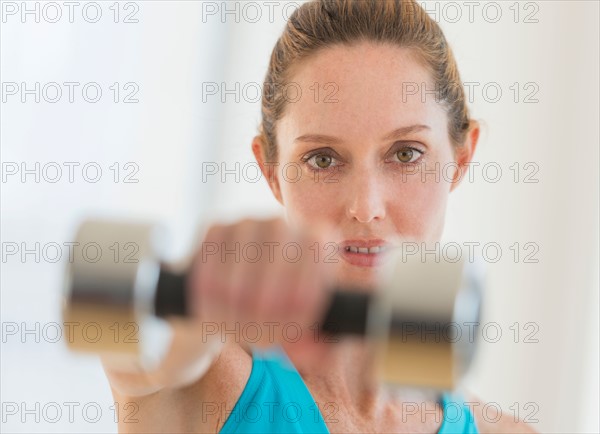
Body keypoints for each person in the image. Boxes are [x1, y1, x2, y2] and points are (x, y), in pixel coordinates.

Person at [102, 1, 537, 432]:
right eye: (323, 160)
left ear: (461, 159)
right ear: (273, 173)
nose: (365, 207)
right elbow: (142, 359)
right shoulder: (208, 386)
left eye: (406, 154)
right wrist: (200, 300)